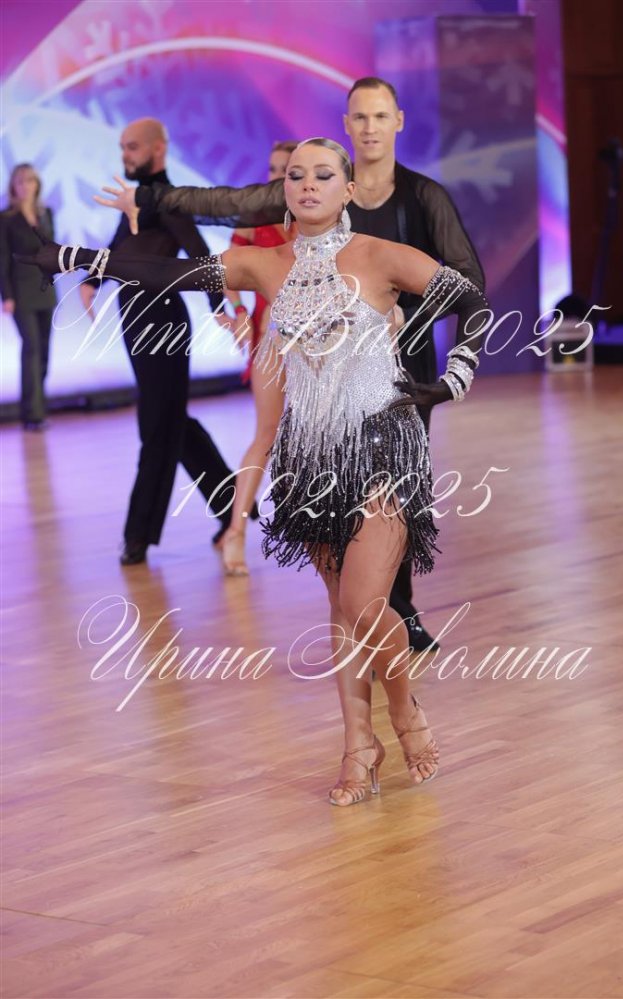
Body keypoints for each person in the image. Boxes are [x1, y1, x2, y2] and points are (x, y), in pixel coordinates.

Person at [19, 137, 490, 807]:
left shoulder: (382, 256)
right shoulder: (264, 263)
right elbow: (169, 274)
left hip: (383, 445)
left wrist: (454, 378)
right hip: (311, 456)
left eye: (323, 174)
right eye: (297, 175)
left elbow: (471, 299)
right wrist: (78, 259)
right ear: (284, 190)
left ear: (348, 189)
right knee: (340, 608)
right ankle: (358, 744)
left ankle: (404, 710)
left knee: (364, 602)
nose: (307, 184)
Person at [94, 78, 484, 651]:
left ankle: (396, 611)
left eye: (380, 116)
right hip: (313, 368)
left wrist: (428, 338)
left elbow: (465, 283)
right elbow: (226, 203)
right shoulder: (309, 188)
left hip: (399, 373)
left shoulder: (423, 197)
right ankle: (355, 620)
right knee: (314, 496)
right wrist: (153, 200)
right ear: (347, 125)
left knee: (390, 499)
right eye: (360, 117)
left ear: (397, 121)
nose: (370, 127)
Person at [83, 118, 238, 566]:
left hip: (162, 322)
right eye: (122, 147)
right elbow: (120, 247)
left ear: (157, 149)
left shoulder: (169, 199)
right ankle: (232, 505)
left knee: (156, 425)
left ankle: (138, 535)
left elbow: (200, 254)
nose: (125, 155)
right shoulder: (139, 199)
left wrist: (218, 306)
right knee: (172, 422)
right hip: (136, 320)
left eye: (132, 147)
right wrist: (93, 279)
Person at [219, 140, 297, 576]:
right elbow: (227, 273)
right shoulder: (252, 216)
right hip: (270, 335)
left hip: (319, 340)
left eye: (287, 169)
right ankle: (235, 532)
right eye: (273, 168)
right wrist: (238, 313)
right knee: (266, 433)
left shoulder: (319, 217)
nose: (277, 176)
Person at [0, 164, 56, 430]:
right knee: (31, 347)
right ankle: (32, 414)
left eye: (30, 181)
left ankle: (38, 405)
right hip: (21, 291)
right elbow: (2, 260)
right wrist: (7, 295)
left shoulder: (46, 214)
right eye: (20, 181)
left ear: (37, 184)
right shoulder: (6, 219)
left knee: (44, 350)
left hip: (45, 290)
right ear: (14, 186)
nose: (25, 186)